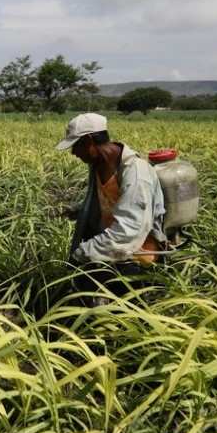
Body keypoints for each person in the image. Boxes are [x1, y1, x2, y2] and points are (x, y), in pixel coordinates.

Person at [56, 113, 167, 302]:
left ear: (89, 141)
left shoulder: (136, 175)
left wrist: (82, 253)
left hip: (137, 254)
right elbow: (109, 200)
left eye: (75, 146)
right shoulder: (99, 165)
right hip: (112, 246)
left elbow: (128, 233)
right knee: (83, 288)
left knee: (95, 297)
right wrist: (79, 210)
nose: (74, 153)